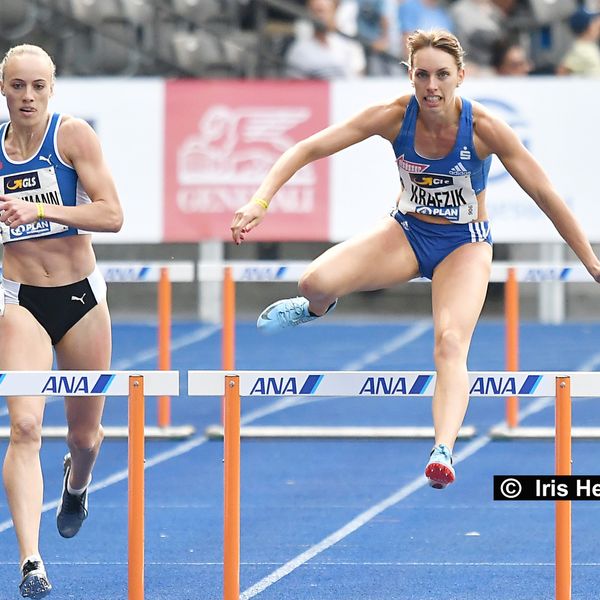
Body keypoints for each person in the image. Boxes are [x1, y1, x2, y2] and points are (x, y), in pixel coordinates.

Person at [231, 29, 600, 491]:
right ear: (410, 76)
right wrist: (259, 203)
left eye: (442, 75)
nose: (431, 86)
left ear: (460, 77)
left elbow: (546, 194)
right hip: (406, 232)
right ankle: (315, 309)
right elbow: (308, 148)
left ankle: (442, 449)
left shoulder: (484, 128)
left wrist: (590, 261)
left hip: (465, 244)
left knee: (450, 343)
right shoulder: (393, 117)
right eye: (422, 75)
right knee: (313, 281)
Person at [0, 45, 123, 598]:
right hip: (18, 300)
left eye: (38, 87)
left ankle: (77, 485)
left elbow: (112, 215)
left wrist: (42, 210)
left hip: (80, 299)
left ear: (53, 89)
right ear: (3, 88)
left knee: (85, 435)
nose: (28, 97)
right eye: (17, 86)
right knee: (25, 427)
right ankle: (31, 562)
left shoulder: (71, 137)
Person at [286, 0, 366, 79]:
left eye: (323, 11)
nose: (320, 17)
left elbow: (358, 77)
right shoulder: (299, 50)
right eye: (316, 11)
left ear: (335, 10)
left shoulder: (349, 44)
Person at [556, 7, 600, 77]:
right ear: (588, 27)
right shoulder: (580, 49)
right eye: (594, 22)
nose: (598, 24)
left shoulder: (589, 46)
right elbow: (562, 70)